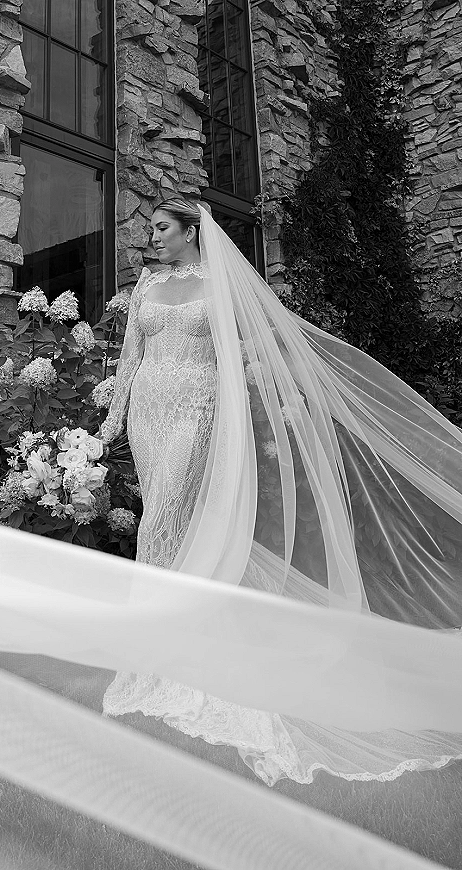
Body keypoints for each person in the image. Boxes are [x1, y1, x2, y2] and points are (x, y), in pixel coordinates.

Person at [100, 196, 462, 786]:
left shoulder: (219, 289)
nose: (153, 238)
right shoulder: (145, 286)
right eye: (152, 230)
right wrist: (114, 420)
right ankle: (158, 632)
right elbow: (129, 358)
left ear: (193, 232)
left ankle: (169, 631)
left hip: (195, 406)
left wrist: (223, 422)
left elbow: (229, 363)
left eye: (162, 228)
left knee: (166, 517)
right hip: (149, 409)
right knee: (157, 512)